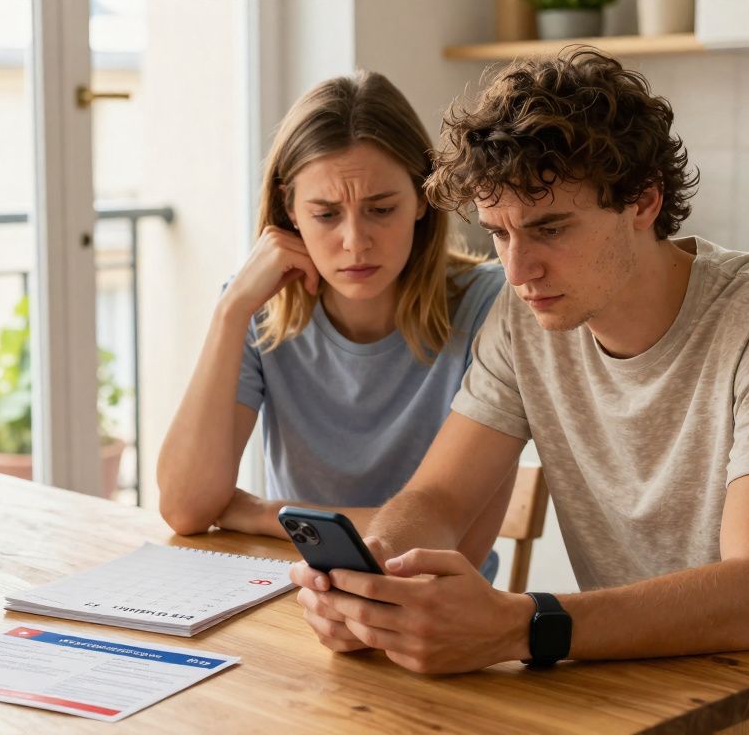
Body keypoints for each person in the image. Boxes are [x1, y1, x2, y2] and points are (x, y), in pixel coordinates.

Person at [289, 50, 749, 735]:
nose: (519, 269)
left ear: (643, 200)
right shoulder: (524, 320)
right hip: (627, 695)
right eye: (498, 234)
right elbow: (438, 498)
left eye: (550, 227)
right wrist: (375, 578)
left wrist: (519, 626)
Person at [157, 70, 510, 579]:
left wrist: (263, 513)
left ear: (422, 197)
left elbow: (453, 548)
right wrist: (230, 309)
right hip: (291, 596)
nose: (355, 241)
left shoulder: (489, 307)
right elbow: (186, 508)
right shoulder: (259, 311)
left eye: (381, 209)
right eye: (325, 214)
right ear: (289, 209)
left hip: (430, 615)